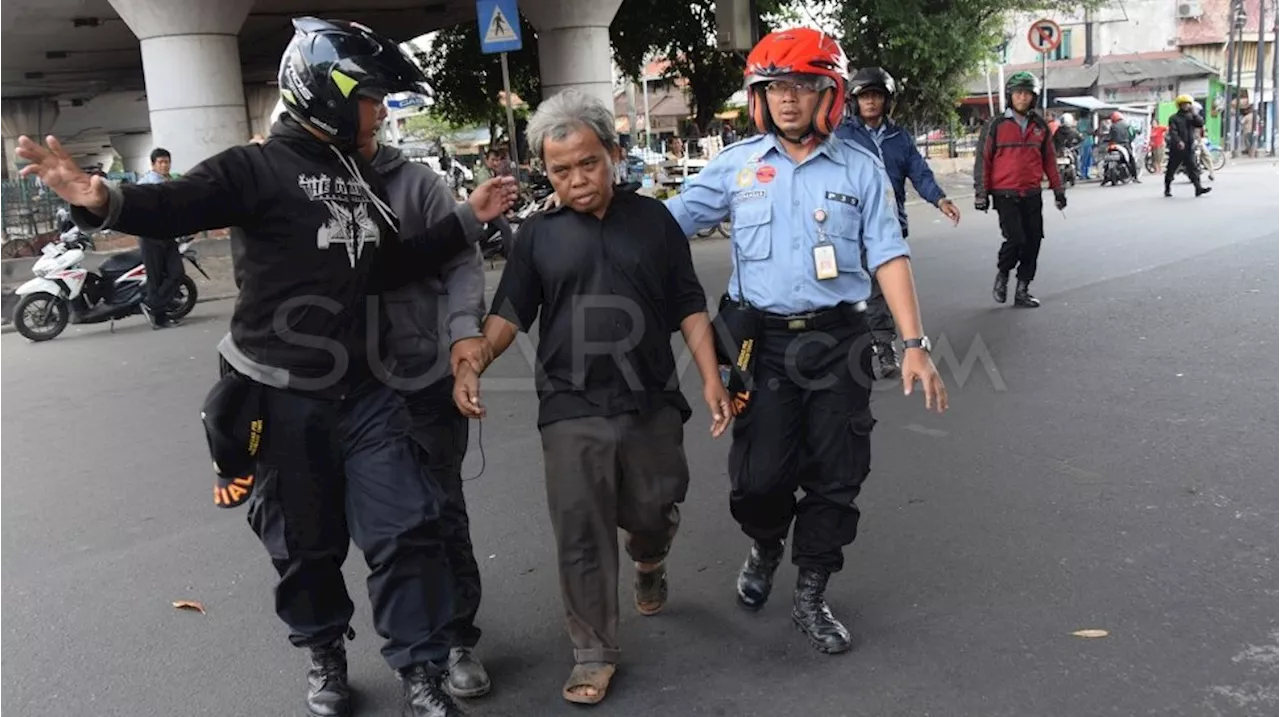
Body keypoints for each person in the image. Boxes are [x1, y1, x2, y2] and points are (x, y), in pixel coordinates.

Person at [18, 17, 518, 717]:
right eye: (371, 97)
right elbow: (180, 202)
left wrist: (467, 216)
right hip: (282, 398)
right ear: (330, 94)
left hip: (368, 391)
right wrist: (103, 199)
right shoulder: (256, 167)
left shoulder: (354, 174)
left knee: (407, 530)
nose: (379, 111)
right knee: (304, 546)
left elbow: (394, 263)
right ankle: (325, 655)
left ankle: (419, 669)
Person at [665, 27, 948, 656]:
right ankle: (766, 541)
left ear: (830, 93)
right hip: (755, 343)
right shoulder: (737, 166)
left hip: (837, 340)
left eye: (802, 86)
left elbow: (889, 255)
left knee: (836, 473)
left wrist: (914, 343)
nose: (787, 100)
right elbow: (664, 226)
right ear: (759, 97)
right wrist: (589, 212)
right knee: (757, 480)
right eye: (774, 88)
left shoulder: (861, 169)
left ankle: (811, 592)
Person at [452, 88, 732, 705]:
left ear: (612, 153)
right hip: (569, 401)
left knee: (655, 506)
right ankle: (593, 652)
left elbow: (687, 301)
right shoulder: (537, 236)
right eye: (561, 170)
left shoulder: (654, 221)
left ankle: (649, 557)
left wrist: (711, 375)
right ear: (544, 173)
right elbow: (509, 314)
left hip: (650, 396)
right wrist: (473, 359)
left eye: (588, 163)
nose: (577, 180)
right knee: (579, 528)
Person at [362, 117, 494, 699]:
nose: (366, 125)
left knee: (440, 510)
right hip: (348, 388)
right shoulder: (304, 185)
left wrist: (464, 337)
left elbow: (462, 263)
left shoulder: (416, 184)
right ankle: (407, 652)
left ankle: (456, 637)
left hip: (424, 381)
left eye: (372, 113)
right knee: (387, 531)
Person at [835, 66, 960, 379]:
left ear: (887, 101)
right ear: (854, 101)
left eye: (877, 96)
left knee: (879, 291)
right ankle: (863, 344)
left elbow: (919, 173)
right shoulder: (841, 137)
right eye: (865, 96)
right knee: (856, 291)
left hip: (889, 226)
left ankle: (883, 345)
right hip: (851, 227)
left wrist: (940, 199)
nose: (871, 102)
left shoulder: (899, 138)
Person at [973, 71, 1065, 309]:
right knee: (1016, 239)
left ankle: (1023, 288)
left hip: (1032, 193)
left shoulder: (1040, 127)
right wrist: (981, 193)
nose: (1022, 98)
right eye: (1018, 93)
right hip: (1005, 194)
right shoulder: (995, 125)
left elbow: (1050, 161)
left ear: (1033, 97)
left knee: (1034, 241)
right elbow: (983, 160)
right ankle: (1003, 274)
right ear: (1010, 96)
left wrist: (1058, 190)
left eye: (1027, 94)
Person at [136, 148, 186, 328]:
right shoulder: (146, 184)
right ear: (153, 164)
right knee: (155, 278)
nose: (165, 165)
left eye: (167, 162)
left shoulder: (168, 182)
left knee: (176, 273)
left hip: (168, 235)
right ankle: (159, 317)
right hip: (151, 237)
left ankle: (153, 305)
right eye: (161, 162)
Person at [1165, 94, 1211, 199]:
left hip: (1189, 147)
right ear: (1180, 105)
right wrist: (1178, 142)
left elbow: (1200, 124)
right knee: (1171, 169)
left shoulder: (1191, 116)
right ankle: (1167, 188)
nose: (1186, 106)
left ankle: (1198, 188)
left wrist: (1194, 114)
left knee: (1193, 168)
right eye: (1184, 104)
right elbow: (1173, 132)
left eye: (1188, 104)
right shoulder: (1173, 118)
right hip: (1177, 148)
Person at [1105, 111, 1140, 183]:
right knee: (1131, 159)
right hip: (1125, 144)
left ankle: (1105, 178)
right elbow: (1132, 135)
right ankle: (1135, 177)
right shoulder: (1127, 125)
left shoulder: (1113, 126)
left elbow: (1109, 137)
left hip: (1115, 145)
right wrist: (1129, 141)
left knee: (1107, 159)